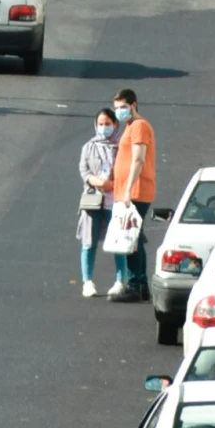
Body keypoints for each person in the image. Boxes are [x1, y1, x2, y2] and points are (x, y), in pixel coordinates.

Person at [108, 86, 157, 301]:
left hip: (135, 192)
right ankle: (141, 285)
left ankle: (135, 285)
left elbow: (138, 159)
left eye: (123, 107)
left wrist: (127, 190)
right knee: (132, 237)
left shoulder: (139, 126)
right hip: (127, 192)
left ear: (133, 105)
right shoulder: (129, 126)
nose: (119, 111)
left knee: (131, 239)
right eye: (117, 108)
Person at [76, 109, 120, 299]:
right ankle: (87, 281)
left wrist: (112, 184)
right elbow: (84, 170)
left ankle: (120, 281)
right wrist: (97, 182)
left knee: (119, 243)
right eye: (101, 124)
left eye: (108, 124)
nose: (104, 128)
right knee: (89, 242)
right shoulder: (89, 147)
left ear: (115, 125)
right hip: (93, 200)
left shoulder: (121, 146)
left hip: (115, 200)